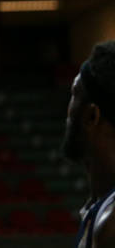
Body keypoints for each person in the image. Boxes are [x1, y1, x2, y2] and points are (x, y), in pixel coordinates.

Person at [64, 41, 115, 248]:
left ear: (92, 116)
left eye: (73, 95)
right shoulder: (101, 208)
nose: (67, 114)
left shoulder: (111, 227)